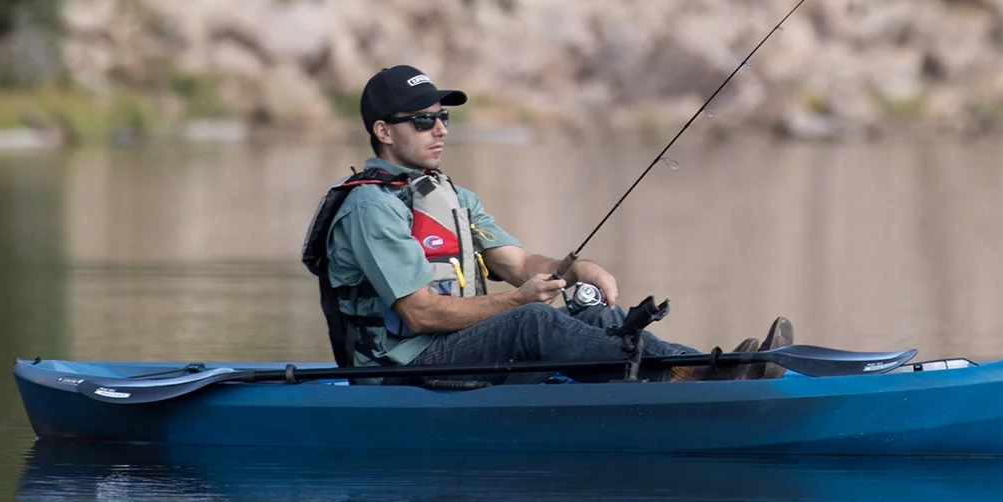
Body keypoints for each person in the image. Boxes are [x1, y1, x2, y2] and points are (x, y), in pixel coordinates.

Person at [319, 65, 792, 377]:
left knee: (597, 313)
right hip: (400, 370)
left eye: (443, 117)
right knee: (532, 322)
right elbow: (420, 313)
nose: (440, 128)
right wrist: (516, 303)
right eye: (423, 121)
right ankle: (703, 378)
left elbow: (519, 262)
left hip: (452, 349)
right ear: (383, 131)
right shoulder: (370, 207)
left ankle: (717, 369)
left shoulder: (450, 195)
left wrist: (577, 269)